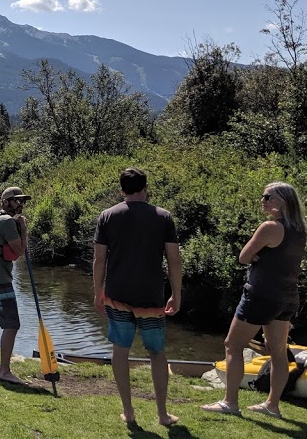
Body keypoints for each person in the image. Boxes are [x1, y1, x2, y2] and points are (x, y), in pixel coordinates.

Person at [201, 182, 307, 419]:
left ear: (281, 201)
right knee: (278, 352)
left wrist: (257, 256)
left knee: (233, 344)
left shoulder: (270, 227)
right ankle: (272, 405)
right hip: (288, 297)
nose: (263, 200)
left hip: (260, 296)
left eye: (268, 197)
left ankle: (230, 402)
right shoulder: (300, 230)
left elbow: (243, 257)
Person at [93, 167, 181, 427]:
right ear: (145, 188)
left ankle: (128, 411)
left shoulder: (107, 216)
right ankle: (163, 414)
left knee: (120, 350)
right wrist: (176, 294)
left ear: (121, 190)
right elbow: (174, 261)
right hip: (152, 295)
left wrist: (98, 291)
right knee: (157, 352)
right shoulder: (163, 217)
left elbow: (99, 260)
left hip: (117, 293)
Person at [0, 186, 30, 385]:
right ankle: (5, 371)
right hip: (0, 279)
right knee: (11, 325)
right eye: (17, 200)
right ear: (6, 202)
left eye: (22, 201)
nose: (20, 204)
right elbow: (19, 252)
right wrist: (24, 229)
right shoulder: (8, 222)